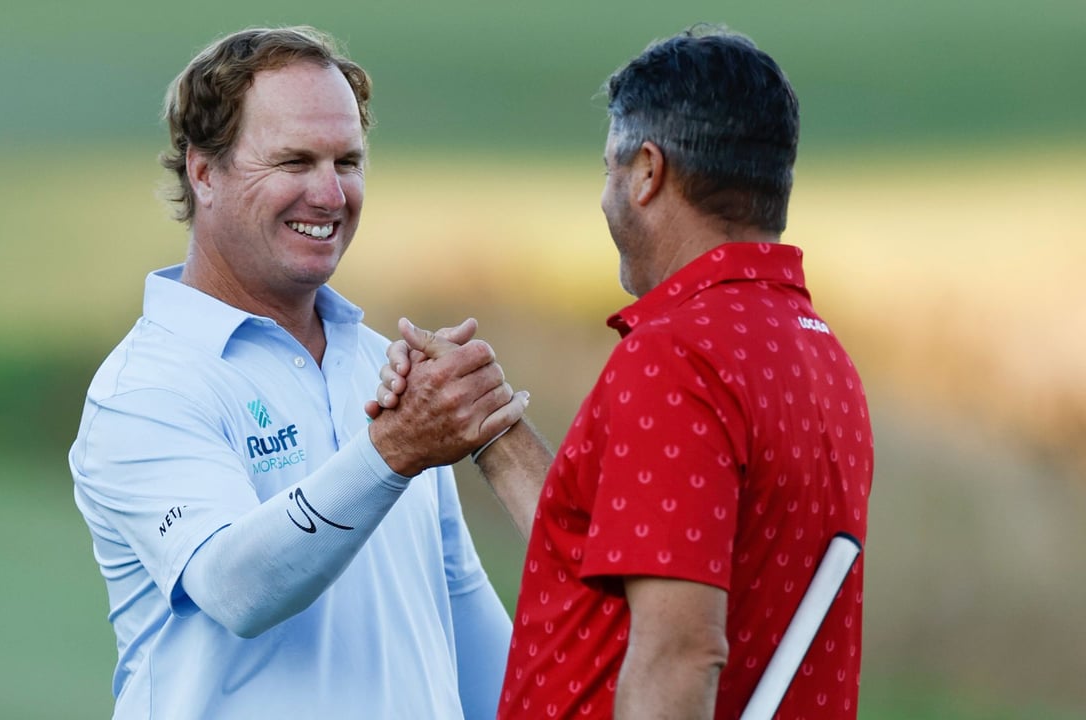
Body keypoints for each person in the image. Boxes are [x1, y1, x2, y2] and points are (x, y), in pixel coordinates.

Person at [374, 24, 874, 720]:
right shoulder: (817, 352)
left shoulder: (678, 357)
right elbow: (625, 561)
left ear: (647, 171)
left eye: (609, 170)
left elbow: (681, 652)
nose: (606, 195)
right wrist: (491, 428)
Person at [67, 26, 526, 720]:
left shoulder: (384, 367)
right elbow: (235, 589)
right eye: (294, 161)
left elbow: (466, 631)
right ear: (204, 172)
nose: (330, 194)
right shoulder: (145, 389)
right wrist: (393, 452)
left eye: (347, 161)